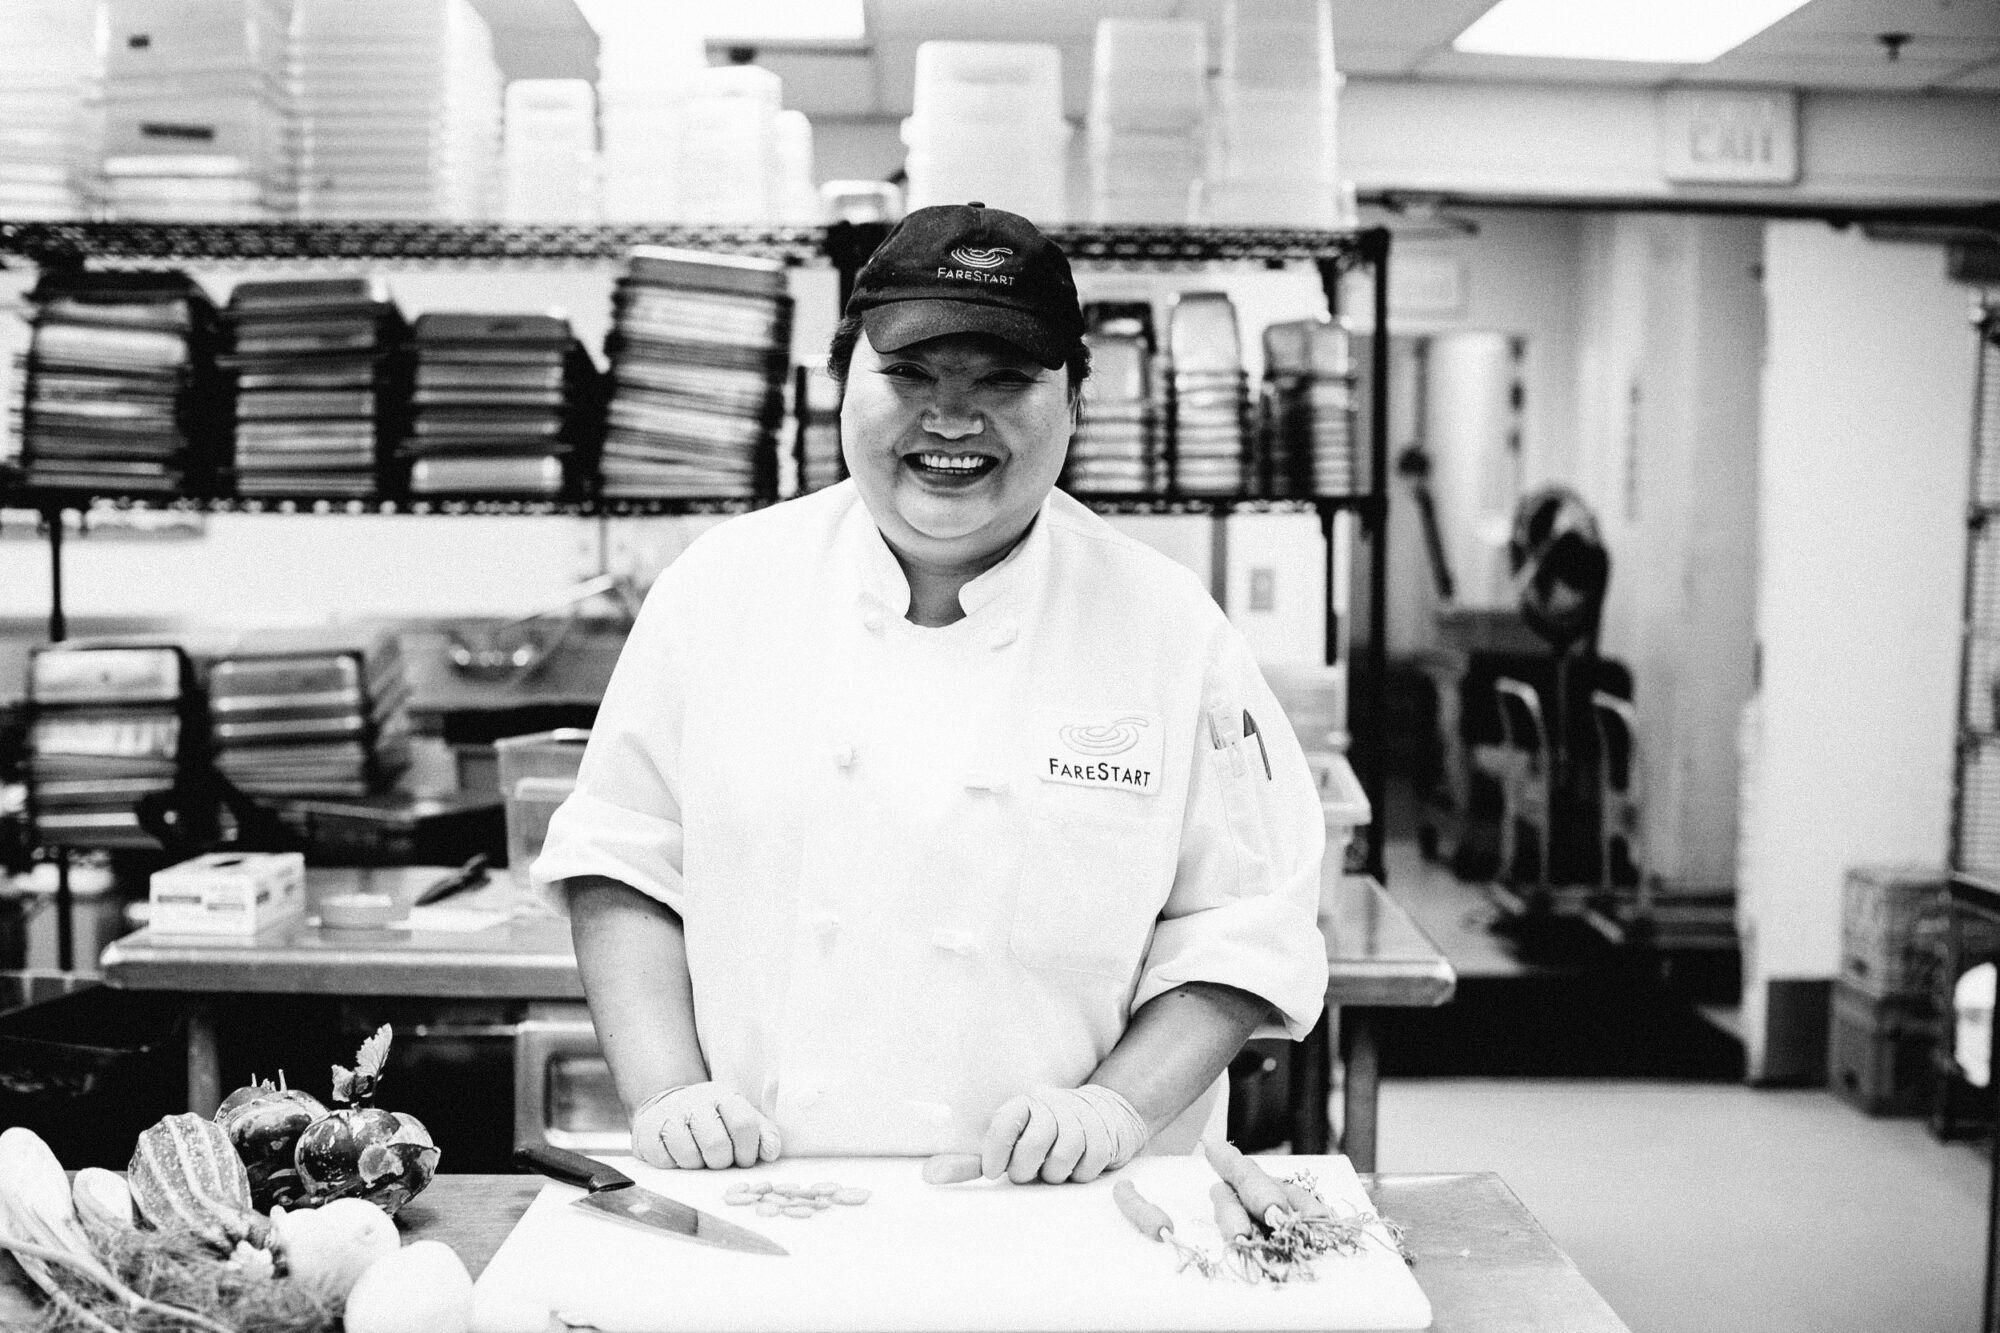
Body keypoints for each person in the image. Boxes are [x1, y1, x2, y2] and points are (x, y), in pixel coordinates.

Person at [533, 202, 1329, 1185]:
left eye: (1004, 380)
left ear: (1075, 403)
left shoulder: (1170, 629)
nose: (951, 418)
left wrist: (1114, 1106)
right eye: (910, 374)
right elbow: (621, 860)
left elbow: (1243, 924)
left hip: (1067, 1210)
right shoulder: (719, 591)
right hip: (762, 1192)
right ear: (841, 386)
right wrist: (667, 1091)